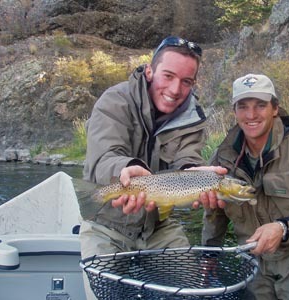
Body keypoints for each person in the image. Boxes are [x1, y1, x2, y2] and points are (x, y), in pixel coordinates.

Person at [79, 36, 226, 299]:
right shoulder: (115, 101)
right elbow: (104, 156)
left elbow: (187, 160)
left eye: (186, 81)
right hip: (106, 224)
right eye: (168, 75)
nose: (175, 89)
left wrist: (194, 173)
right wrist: (126, 168)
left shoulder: (192, 118)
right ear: (149, 70)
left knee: (190, 292)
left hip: (157, 226)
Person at [202, 74, 289, 299]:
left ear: (275, 108)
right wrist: (210, 254)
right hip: (252, 262)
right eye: (243, 107)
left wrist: (283, 229)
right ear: (234, 112)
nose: (251, 115)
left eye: (260, 106)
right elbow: (214, 213)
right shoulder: (222, 157)